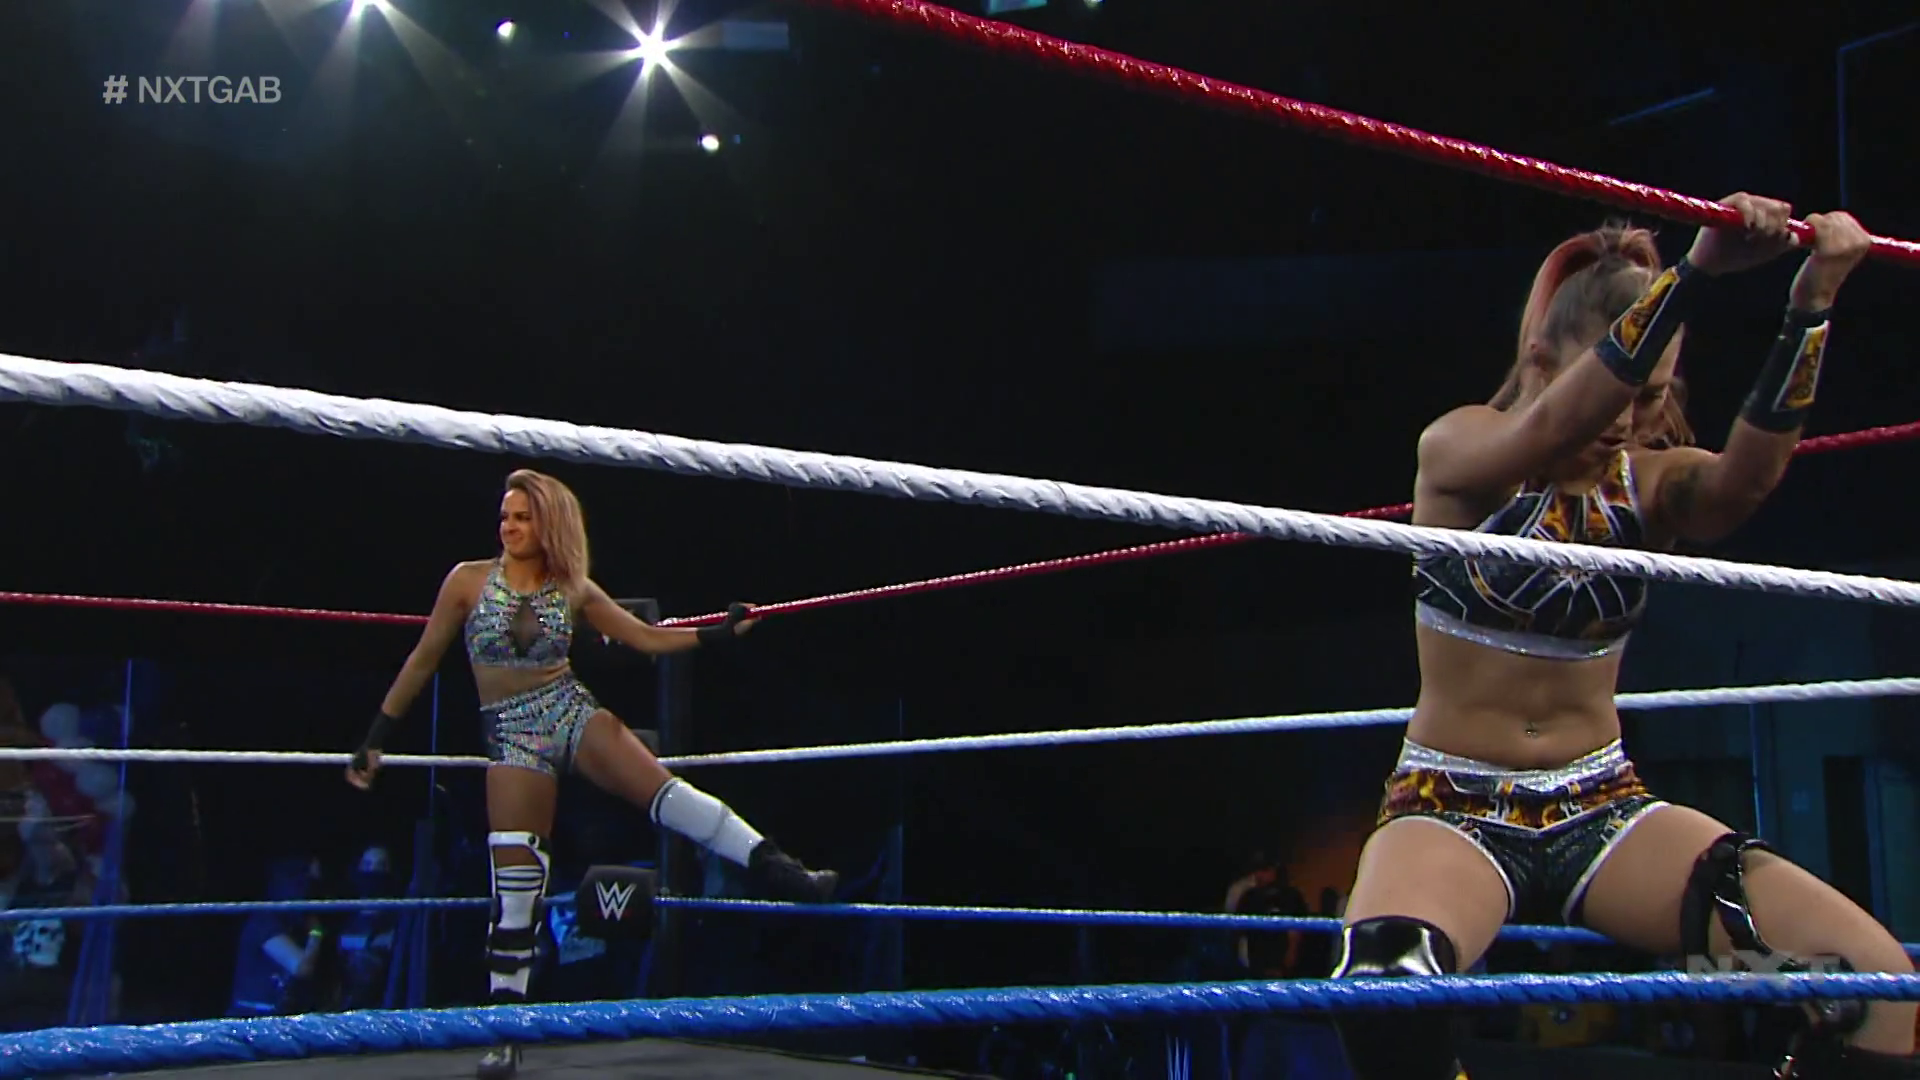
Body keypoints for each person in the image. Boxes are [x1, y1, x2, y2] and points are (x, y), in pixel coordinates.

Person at [1328, 196, 1916, 1079]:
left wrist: (1811, 305)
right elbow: (1550, 427)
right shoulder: (1463, 449)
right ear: (1541, 360)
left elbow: (1743, 484)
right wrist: (1696, 274)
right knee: (1385, 997)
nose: (1624, 420)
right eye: (1616, 388)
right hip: (1452, 803)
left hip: (1604, 807)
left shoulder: (1646, 485)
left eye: (1651, 398)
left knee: (1876, 991)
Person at [345, 468, 838, 1080]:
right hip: (512, 731)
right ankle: (505, 1032)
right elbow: (422, 659)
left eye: (522, 517)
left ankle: (784, 871)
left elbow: (644, 638)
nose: (509, 527)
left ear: (548, 523)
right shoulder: (467, 581)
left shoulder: (571, 586)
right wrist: (376, 738)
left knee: (669, 793)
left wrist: (718, 634)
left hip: (569, 709)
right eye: (504, 516)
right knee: (517, 884)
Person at [229, 856, 328, 1018]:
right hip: (253, 1019)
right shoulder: (265, 920)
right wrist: (316, 931)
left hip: (279, 1016)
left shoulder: (295, 922)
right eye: (308, 882)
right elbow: (302, 968)